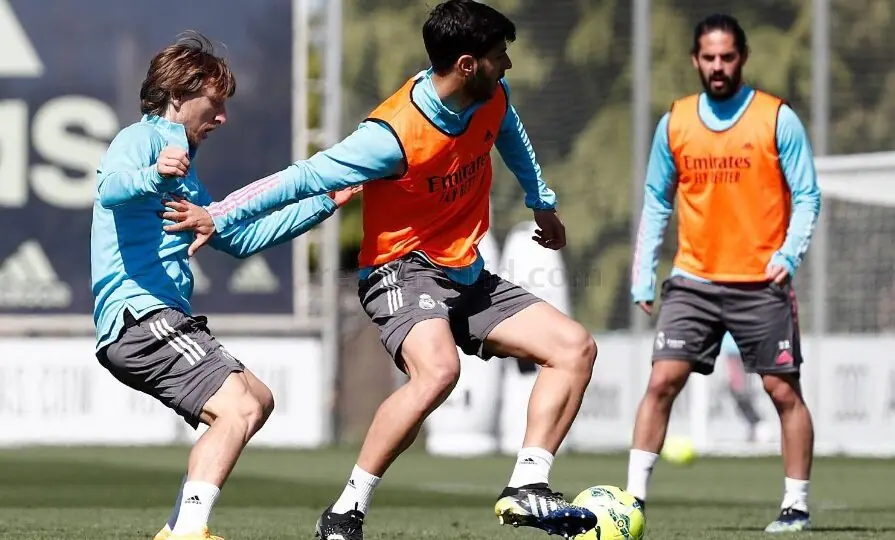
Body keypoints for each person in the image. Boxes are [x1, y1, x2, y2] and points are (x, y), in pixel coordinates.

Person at [162, 2, 600, 538]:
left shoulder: (493, 96)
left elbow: (511, 133)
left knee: (575, 348)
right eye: (499, 55)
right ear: (467, 65)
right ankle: (346, 510)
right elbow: (302, 177)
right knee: (438, 371)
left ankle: (527, 487)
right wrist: (219, 214)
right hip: (401, 270)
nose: (506, 63)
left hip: (465, 270)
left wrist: (541, 201)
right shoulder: (391, 134)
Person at [90, 32, 357, 540]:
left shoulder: (186, 176)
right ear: (178, 96)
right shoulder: (142, 140)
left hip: (153, 320)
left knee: (258, 398)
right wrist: (152, 174)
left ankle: (178, 527)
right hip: (141, 315)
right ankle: (190, 531)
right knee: (240, 407)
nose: (222, 118)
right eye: (215, 103)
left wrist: (324, 202)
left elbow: (240, 238)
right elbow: (108, 188)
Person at [627, 13, 820, 533]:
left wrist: (789, 254)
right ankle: (632, 501)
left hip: (761, 282)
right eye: (709, 57)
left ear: (742, 58)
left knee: (783, 392)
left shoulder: (777, 119)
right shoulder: (675, 123)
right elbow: (656, 200)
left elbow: (807, 195)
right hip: (693, 280)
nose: (718, 66)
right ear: (695, 60)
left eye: (727, 57)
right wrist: (644, 273)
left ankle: (796, 505)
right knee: (662, 380)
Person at [719, 332, 774, 443]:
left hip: (740, 348)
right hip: (730, 348)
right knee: (735, 390)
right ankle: (754, 424)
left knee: (740, 390)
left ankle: (758, 424)